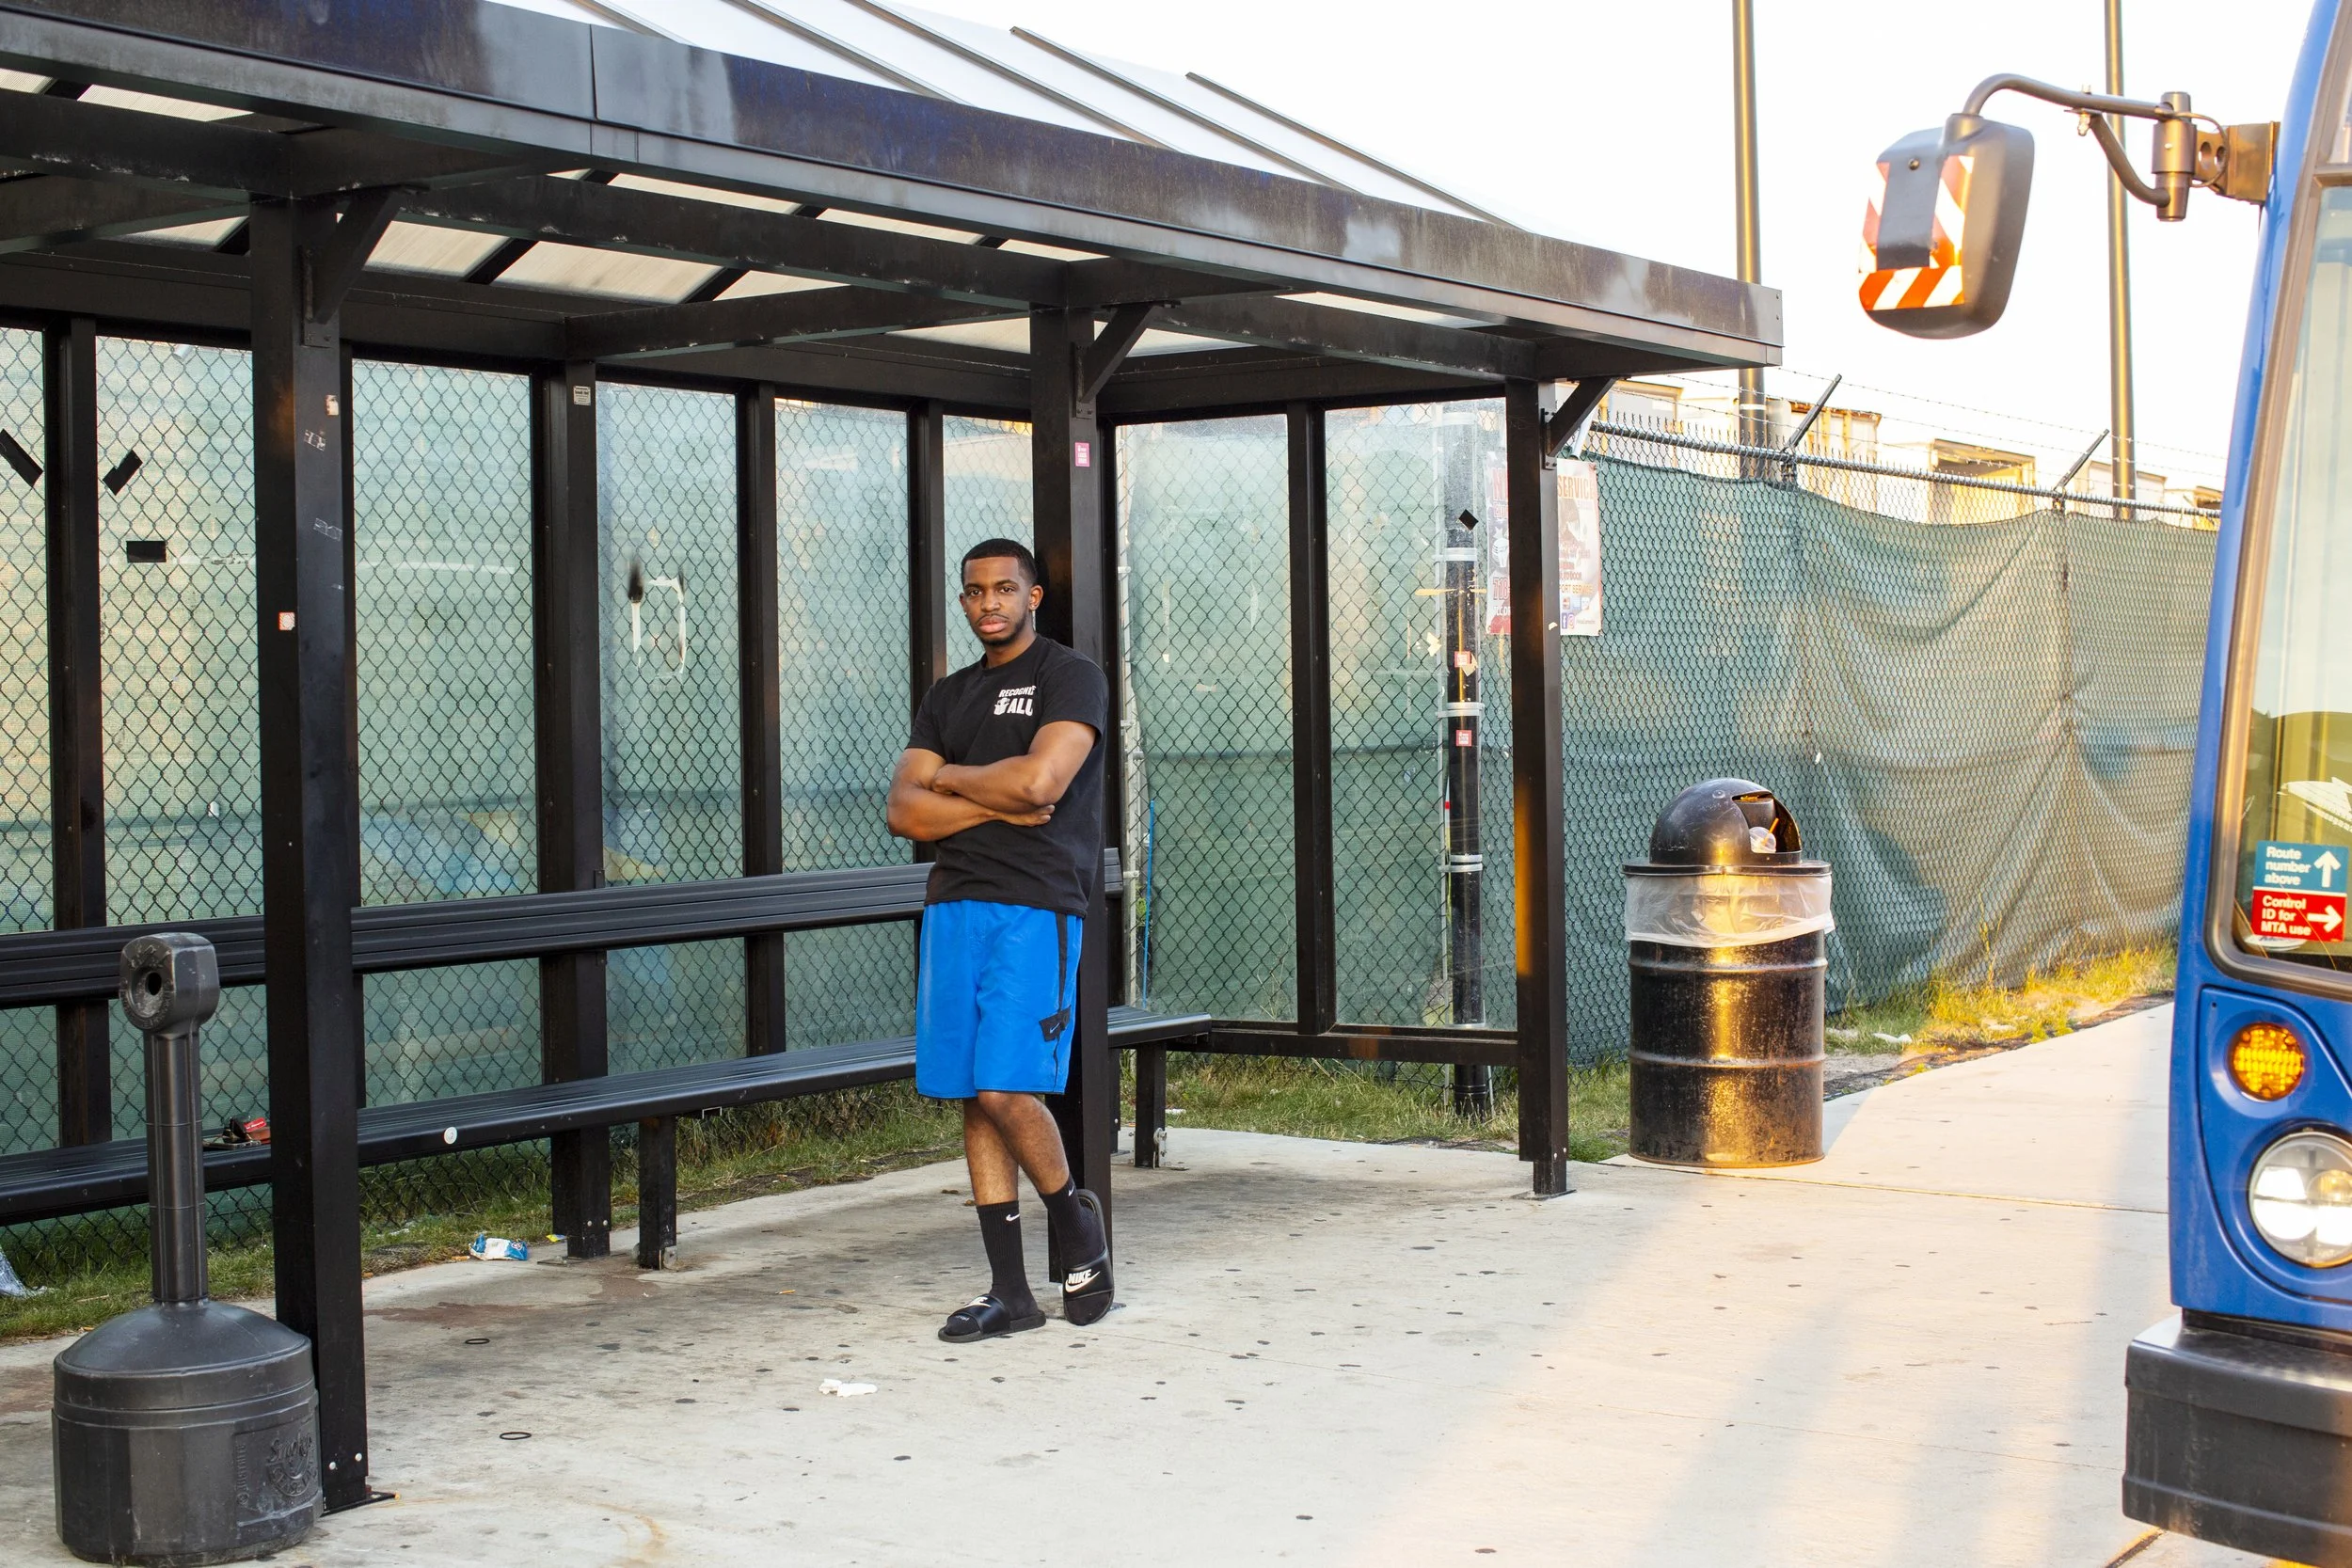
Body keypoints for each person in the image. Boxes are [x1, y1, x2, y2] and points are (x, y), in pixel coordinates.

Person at [886, 537, 1113, 1342]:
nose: (990, 603)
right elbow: (904, 811)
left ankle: (1075, 1222)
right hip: (954, 903)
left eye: (1005, 589)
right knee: (972, 1092)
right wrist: (990, 798)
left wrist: (950, 778)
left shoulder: (1068, 676)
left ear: (1034, 595)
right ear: (964, 602)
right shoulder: (947, 697)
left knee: (1008, 1088)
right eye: (976, 592)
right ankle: (1010, 1293)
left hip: (1035, 903)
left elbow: (1042, 781)